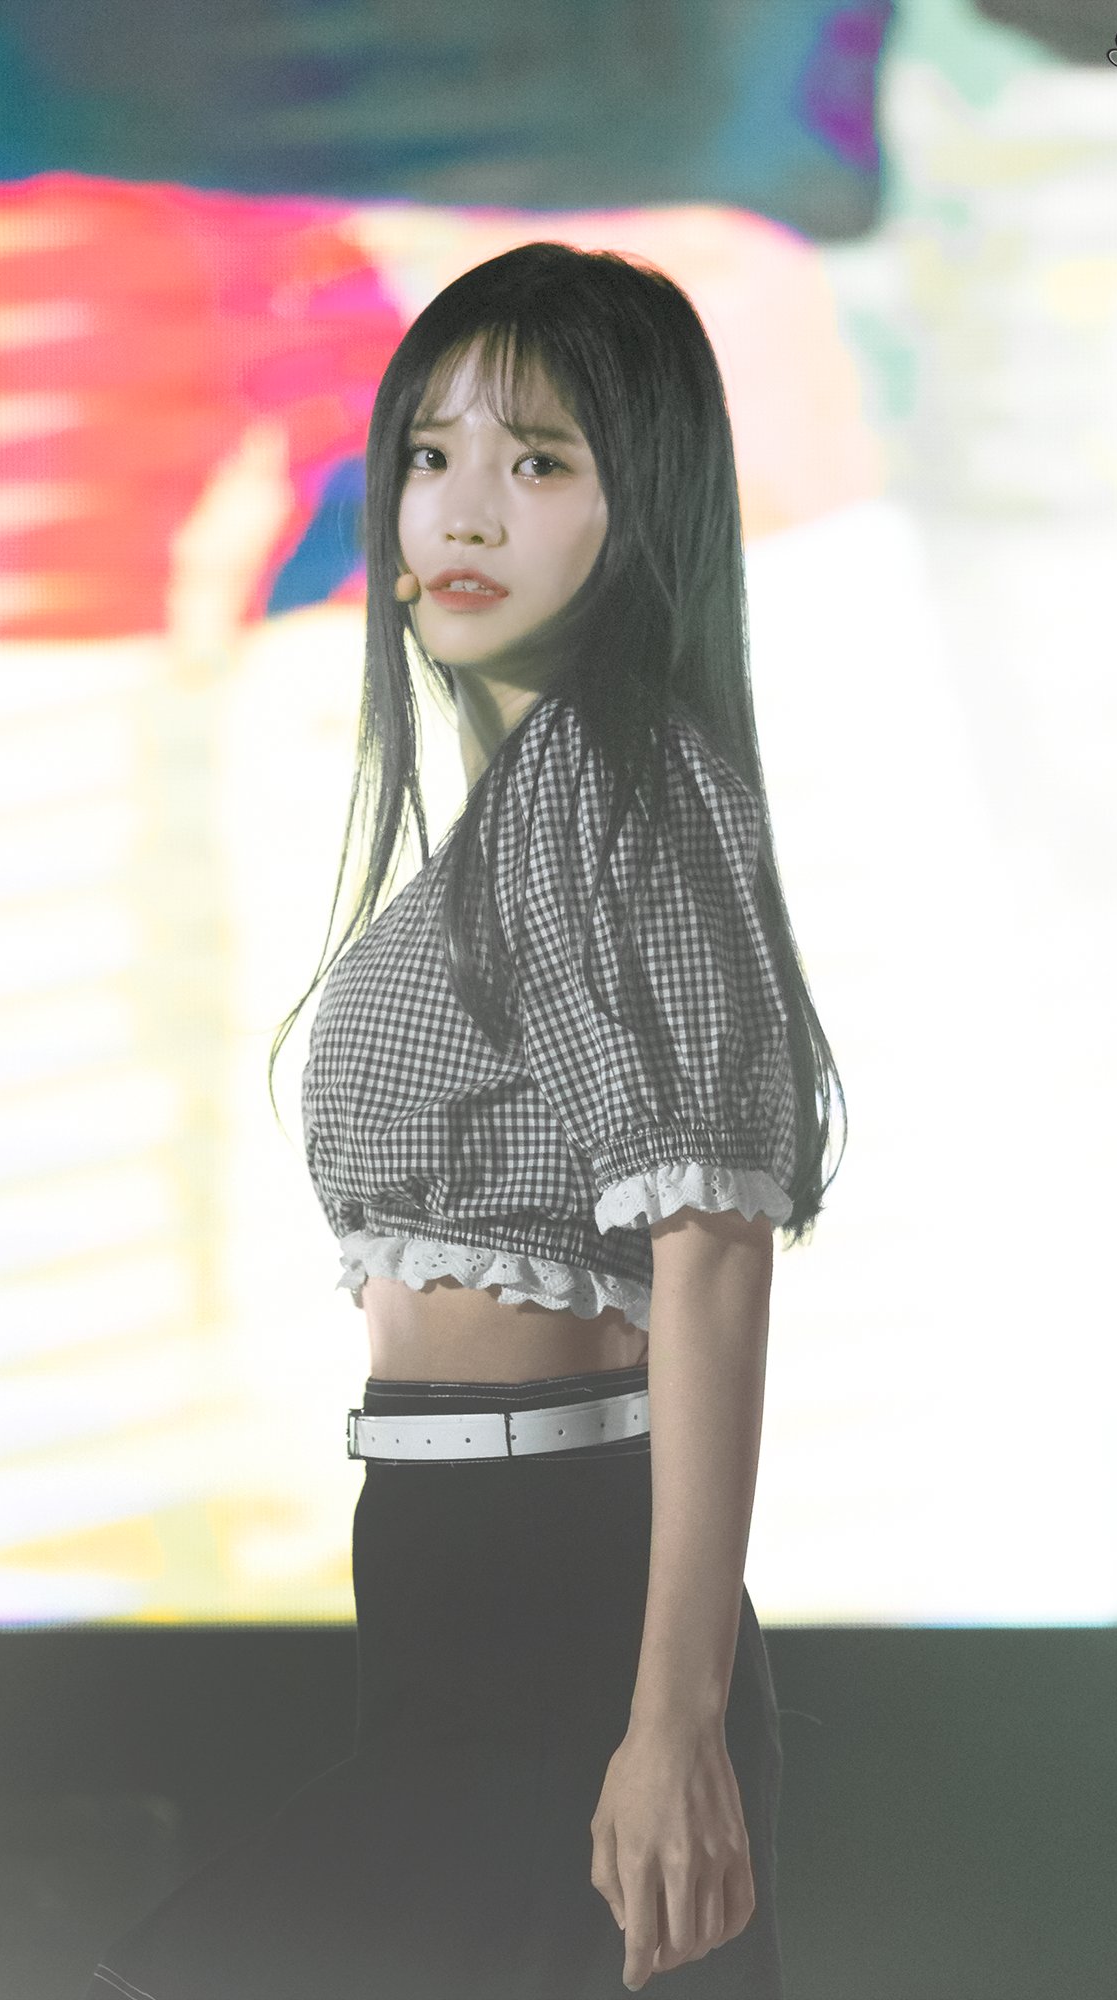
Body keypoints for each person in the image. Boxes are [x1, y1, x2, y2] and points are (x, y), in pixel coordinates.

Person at [82, 241, 845, 2000]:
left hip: (562, 1595)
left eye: (539, 460)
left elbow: (712, 1249)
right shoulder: (518, 811)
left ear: (642, 504)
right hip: (451, 1579)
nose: (464, 510)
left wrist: (674, 1730)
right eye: (431, 455)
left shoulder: (617, 784)